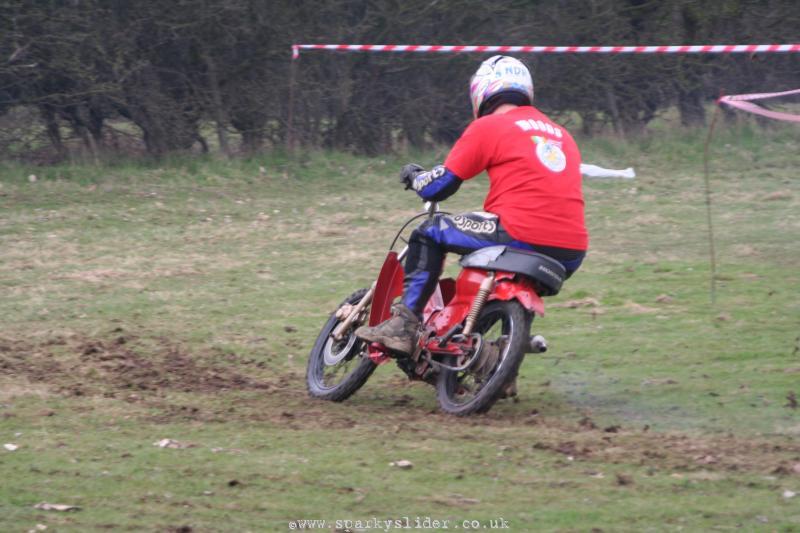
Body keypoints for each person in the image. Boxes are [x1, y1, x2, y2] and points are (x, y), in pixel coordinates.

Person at [356, 55, 588, 357]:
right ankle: (503, 360)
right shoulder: (561, 134)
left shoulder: (491, 126)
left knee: (429, 231)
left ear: (482, 91)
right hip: (571, 251)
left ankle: (404, 325)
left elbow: (441, 185)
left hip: (518, 231)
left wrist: (416, 178)